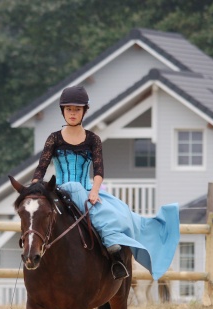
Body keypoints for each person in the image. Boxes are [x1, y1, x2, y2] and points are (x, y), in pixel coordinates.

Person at [31, 86, 180, 280]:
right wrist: (33, 189)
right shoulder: (54, 138)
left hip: (86, 189)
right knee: (34, 217)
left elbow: (99, 171)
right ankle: (31, 252)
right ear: (63, 111)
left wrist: (94, 191)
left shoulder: (93, 139)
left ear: (84, 111)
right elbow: (41, 167)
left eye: (77, 109)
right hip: (59, 191)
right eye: (69, 109)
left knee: (122, 215)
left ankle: (116, 256)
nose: (73, 113)